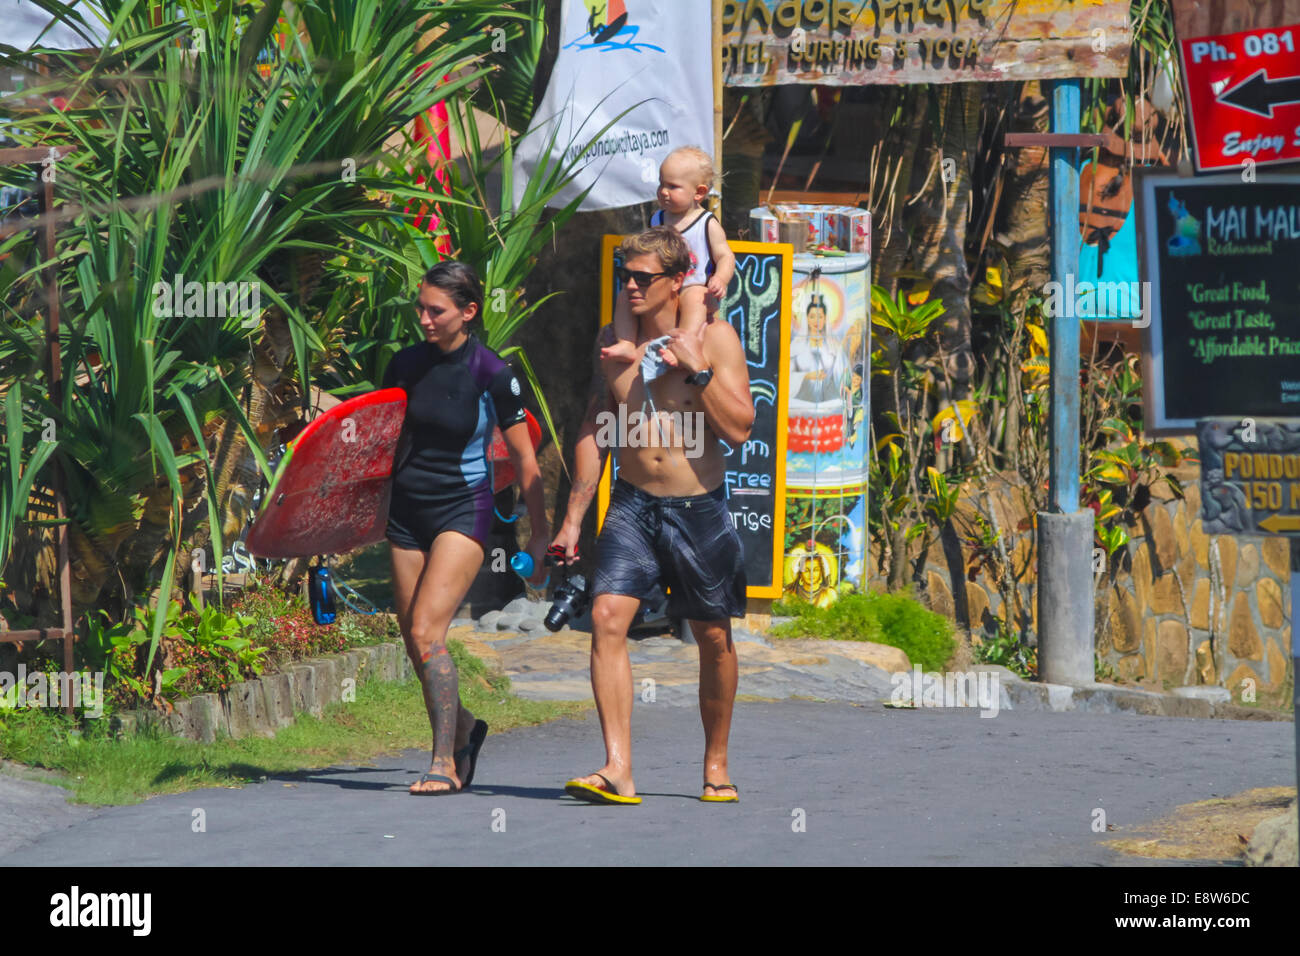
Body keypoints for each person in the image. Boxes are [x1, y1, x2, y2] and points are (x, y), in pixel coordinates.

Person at [551, 227, 754, 805]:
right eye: (626, 277)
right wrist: (572, 520)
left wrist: (697, 371)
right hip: (633, 505)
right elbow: (596, 430)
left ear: (677, 281)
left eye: (645, 277)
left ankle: (716, 763)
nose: (634, 286)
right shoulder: (613, 343)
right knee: (607, 618)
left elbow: (740, 430)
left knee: (713, 637)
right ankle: (617, 767)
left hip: (698, 508)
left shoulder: (714, 339)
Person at [382, 261, 549, 795]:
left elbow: (526, 461)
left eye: (437, 310)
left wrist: (540, 535)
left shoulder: (493, 373)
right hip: (406, 510)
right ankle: (467, 730)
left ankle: (444, 763)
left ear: (468, 312)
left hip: (463, 508)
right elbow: (377, 439)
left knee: (429, 631)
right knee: (415, 639)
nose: (425, 319)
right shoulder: (403, 364)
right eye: (421, 308)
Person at [602, 147, 735, 365]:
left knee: (693, 298)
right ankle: (626, 342)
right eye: (661, 184)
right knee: (625, 296)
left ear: (699, 192)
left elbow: (725, 256)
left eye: (672, 186)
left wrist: (720, 278)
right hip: (662, 289)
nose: (663, 191)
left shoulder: (706, 223)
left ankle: (683, 347)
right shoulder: (657, 219)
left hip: (695, 287)